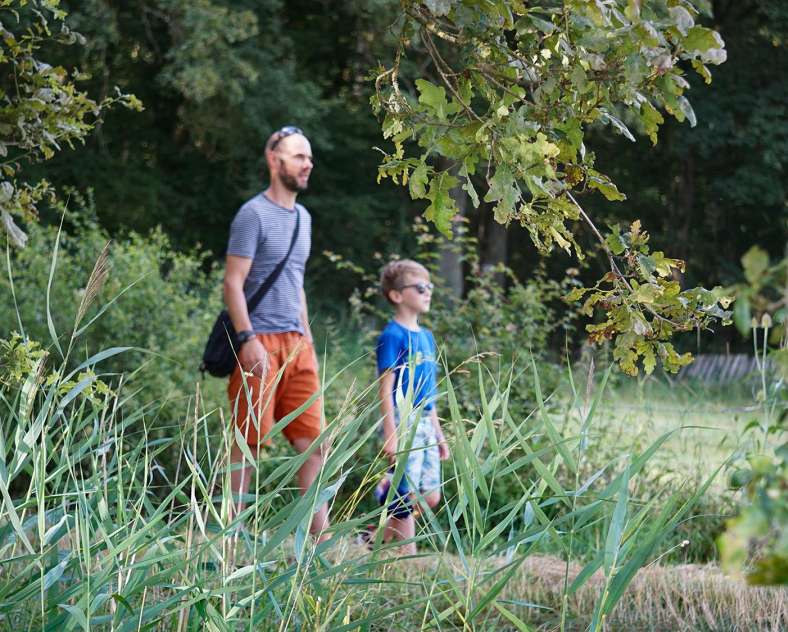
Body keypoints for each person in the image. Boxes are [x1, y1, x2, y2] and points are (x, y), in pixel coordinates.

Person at [223, 125, 328, 539]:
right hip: (259, 341)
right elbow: (233, 283)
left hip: (297, 344)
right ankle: (231, 536)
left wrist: (309, 340)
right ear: (275, 160)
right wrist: (247, 340)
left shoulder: (303, 218)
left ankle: (318, 538)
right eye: (299, 156)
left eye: (309, 158)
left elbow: (296, 280)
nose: (308, 164)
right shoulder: (252, 214)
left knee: (314, 443)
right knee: (248, 443)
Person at [375, 260, 449, 554]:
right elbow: (385, 388)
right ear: (397, 295)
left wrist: (439, 434)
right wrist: (390, 433)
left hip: (425, 422)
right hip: (402, 419)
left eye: (429, 287)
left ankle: (375, 531)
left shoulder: (427, 337)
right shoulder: (392, 336)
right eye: (420, 288)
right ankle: (408, 555)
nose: (427, 292)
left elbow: (430, 394)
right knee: (405, 492)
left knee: (430, 495)